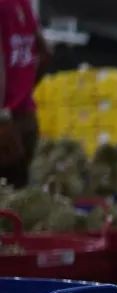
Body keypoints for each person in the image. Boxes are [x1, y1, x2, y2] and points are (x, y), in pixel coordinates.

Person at [0, 0, 48, 188]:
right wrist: (24, 89)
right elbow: (45, 52)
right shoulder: (23, 5)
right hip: (27, 119)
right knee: (18, 197)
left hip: (4, 125)